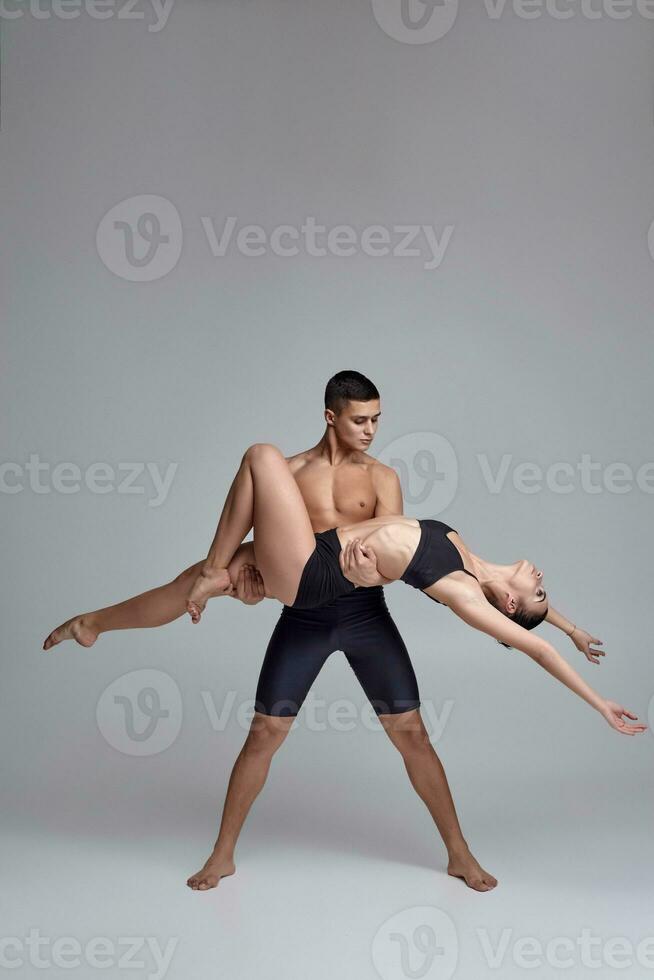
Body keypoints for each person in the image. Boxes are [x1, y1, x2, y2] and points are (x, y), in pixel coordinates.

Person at [42, 372, 623, 895]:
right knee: (259, 722)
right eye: (361, 419)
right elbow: (525, 614)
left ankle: (459, 853)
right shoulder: (299, 479)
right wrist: (570, 627)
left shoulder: (388, 484)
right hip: (305, 605)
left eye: (376, 420)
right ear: (330, 416)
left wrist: (596, 699)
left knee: (413, 736)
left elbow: (473, 603)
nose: (371, 430)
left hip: (362, 613)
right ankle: (98, 629)